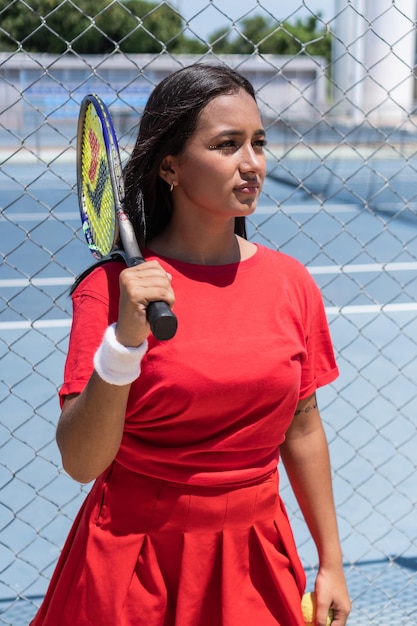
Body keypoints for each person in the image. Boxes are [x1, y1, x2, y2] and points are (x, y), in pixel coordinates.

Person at [30, 63, 351, 626]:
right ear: (171, 166)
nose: (251, 163)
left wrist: (331, 561)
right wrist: (124, 343)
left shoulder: (291, 282)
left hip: (256, 555)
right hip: (136, 563)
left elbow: (302, 424)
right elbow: (82, 462)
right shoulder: (109, 292)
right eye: (227, 145)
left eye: (258, 142)